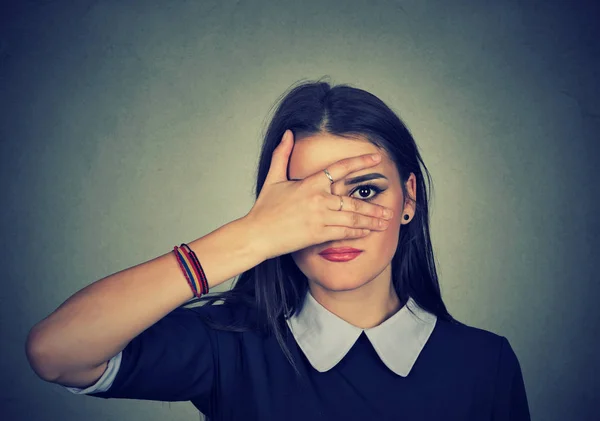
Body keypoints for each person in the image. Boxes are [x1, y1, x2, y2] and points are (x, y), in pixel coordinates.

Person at [25, 79, 531, 420]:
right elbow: (56, 353)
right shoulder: (228, 346)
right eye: (306, 198)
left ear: (409, 199)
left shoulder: (486, 365)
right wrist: (253, 236)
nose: (335, 224)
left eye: (365, 191)